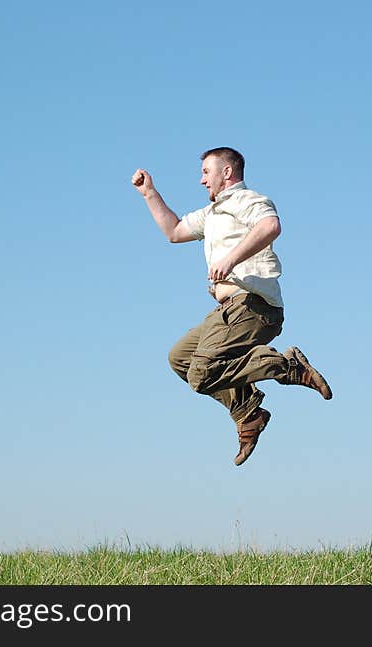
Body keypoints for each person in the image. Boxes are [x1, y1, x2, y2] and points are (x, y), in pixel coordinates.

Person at [131, 146, 332, 466]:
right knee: (181, 358)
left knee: (201, 374)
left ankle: (286, 366)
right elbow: (174, 231)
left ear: (227, 172)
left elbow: (270, 226)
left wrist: (231, 258)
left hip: (253, 305)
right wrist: (149, 193)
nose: (201, 181)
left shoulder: (247, 201)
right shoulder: (212, 214)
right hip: (228, 309)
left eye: (206, 172)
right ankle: (248, 411)